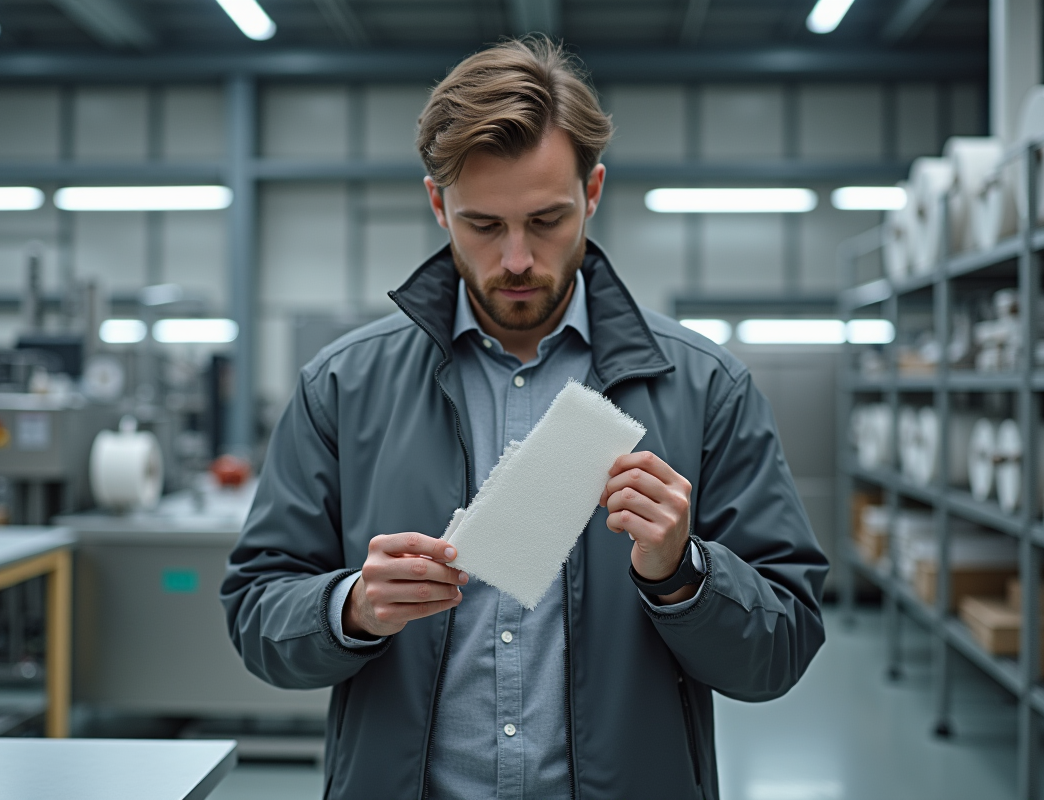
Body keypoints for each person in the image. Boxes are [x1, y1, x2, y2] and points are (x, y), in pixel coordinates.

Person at [222, 36, 828, 800]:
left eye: (546, 220)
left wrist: (685, 576)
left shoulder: (705, 386)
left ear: (594, 192)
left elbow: (783, 645)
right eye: (483, 225)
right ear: (438, 204)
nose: (516, 259)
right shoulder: (342, 385)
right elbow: (255, 613)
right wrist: (351, 606)